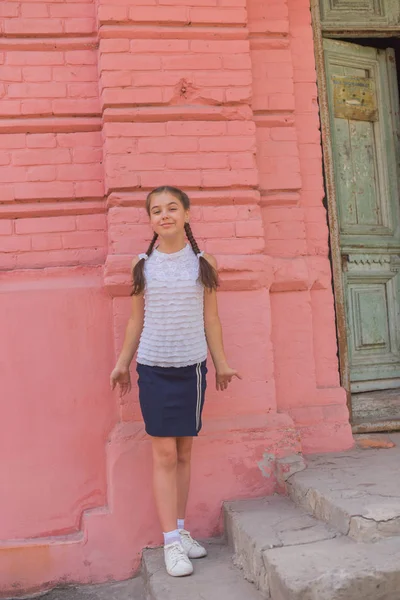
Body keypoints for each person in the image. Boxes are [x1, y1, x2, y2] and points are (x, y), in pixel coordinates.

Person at [110, 186, 241, 578]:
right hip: (153, 369)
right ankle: (170, 542)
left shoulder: (203, 263)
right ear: (150, 220)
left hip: (192, 370)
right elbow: (135, 321)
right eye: (155, 210)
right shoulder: (142, 266)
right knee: (164, 454)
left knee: (184, 453)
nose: (163, 215)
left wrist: (220, 363)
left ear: (186, 213)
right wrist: (122, 364)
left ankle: (181, 531)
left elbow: (212, 319)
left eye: (171, 208)